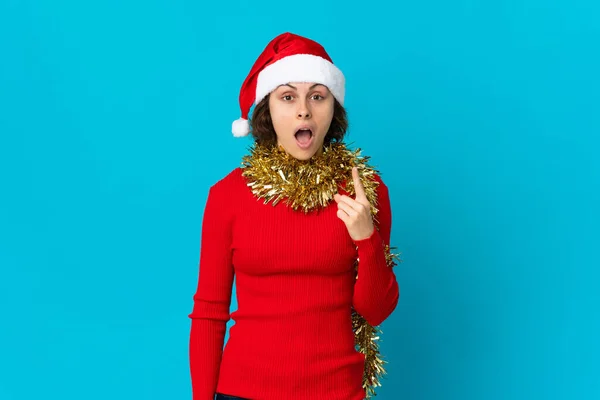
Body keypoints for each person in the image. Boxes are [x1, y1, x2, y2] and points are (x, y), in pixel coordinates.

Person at [188, 32, 400, 400]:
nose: (304, 110)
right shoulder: (227, 196)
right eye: (288, 97)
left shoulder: (365, 190)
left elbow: (377, 310)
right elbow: (209, 313)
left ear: (333, 108)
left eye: (317, 96)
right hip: (242, 390)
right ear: (268, 109)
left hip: (337, 392)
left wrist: (366, 239)